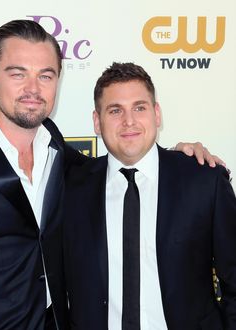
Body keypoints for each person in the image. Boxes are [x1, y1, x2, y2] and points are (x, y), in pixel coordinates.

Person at [0, 20, 223, 330]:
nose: (33, 88)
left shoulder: (55, 146)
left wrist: (174, 159)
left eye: (45, 75)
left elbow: (119, 163)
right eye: (18, 74)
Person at [62, 62, 236, 329]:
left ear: (157, 114)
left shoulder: (204, 181)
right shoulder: (71, 187)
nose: (129, 121)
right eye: (115, 110)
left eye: (139, 108)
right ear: (97, 122)